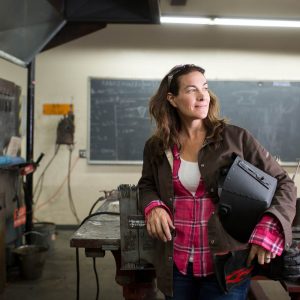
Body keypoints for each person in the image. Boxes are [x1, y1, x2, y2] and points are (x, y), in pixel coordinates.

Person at [138, 64, 297, 300]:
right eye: (192, 90)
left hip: (227, 265)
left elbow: (284, 183)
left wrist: (270, 225)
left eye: (205, 87)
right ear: (172, 99)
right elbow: (146, 185)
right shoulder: (157, 146)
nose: (203, 96)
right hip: (177, 264)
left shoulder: (236, 138)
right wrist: (154, 207)